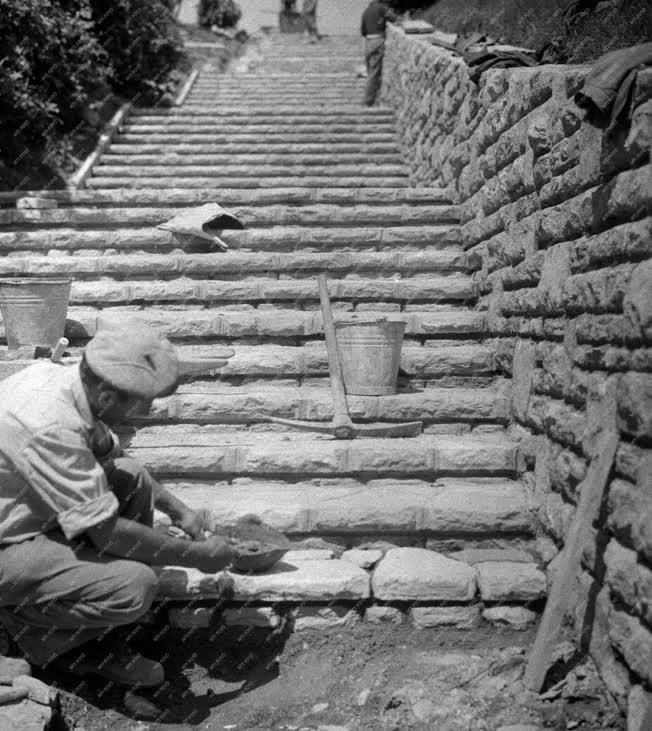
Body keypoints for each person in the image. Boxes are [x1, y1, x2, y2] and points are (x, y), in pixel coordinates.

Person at [0, 325, 259, 688]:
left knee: (131, 475)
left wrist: (180, 511)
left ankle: (95, 618)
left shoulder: (67, 384)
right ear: (107, 395)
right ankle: (45, 639)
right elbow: (107, 534)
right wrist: (199, 555)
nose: (148, 410)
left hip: (30, 514)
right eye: (141, 400)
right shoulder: (50, 425)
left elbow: (113, 456)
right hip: (8, 545)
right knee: (135, 585)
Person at [361, 0, 398, 106]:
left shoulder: (366, 11)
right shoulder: (381, 8)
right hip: (378, 40)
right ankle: (368, 101)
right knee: (374, 72)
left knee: (370, 70)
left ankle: (372, 96)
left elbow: (363, 31)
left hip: (368, 42)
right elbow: (393, 18)